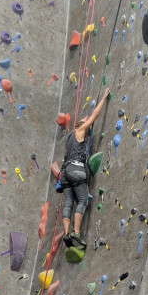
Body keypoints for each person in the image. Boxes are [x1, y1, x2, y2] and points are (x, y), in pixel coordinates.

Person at [61, 87, 110, 249]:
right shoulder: (80, 130)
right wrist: (103, 97)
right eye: (86, 125)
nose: (88, 129)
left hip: (65, 173)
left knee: (68, 203)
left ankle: (67, 233)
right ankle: (76, 232)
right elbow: (95, 115)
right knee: (82, 200)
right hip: (76, 170)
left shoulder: (68, 138)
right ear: (80, 124)